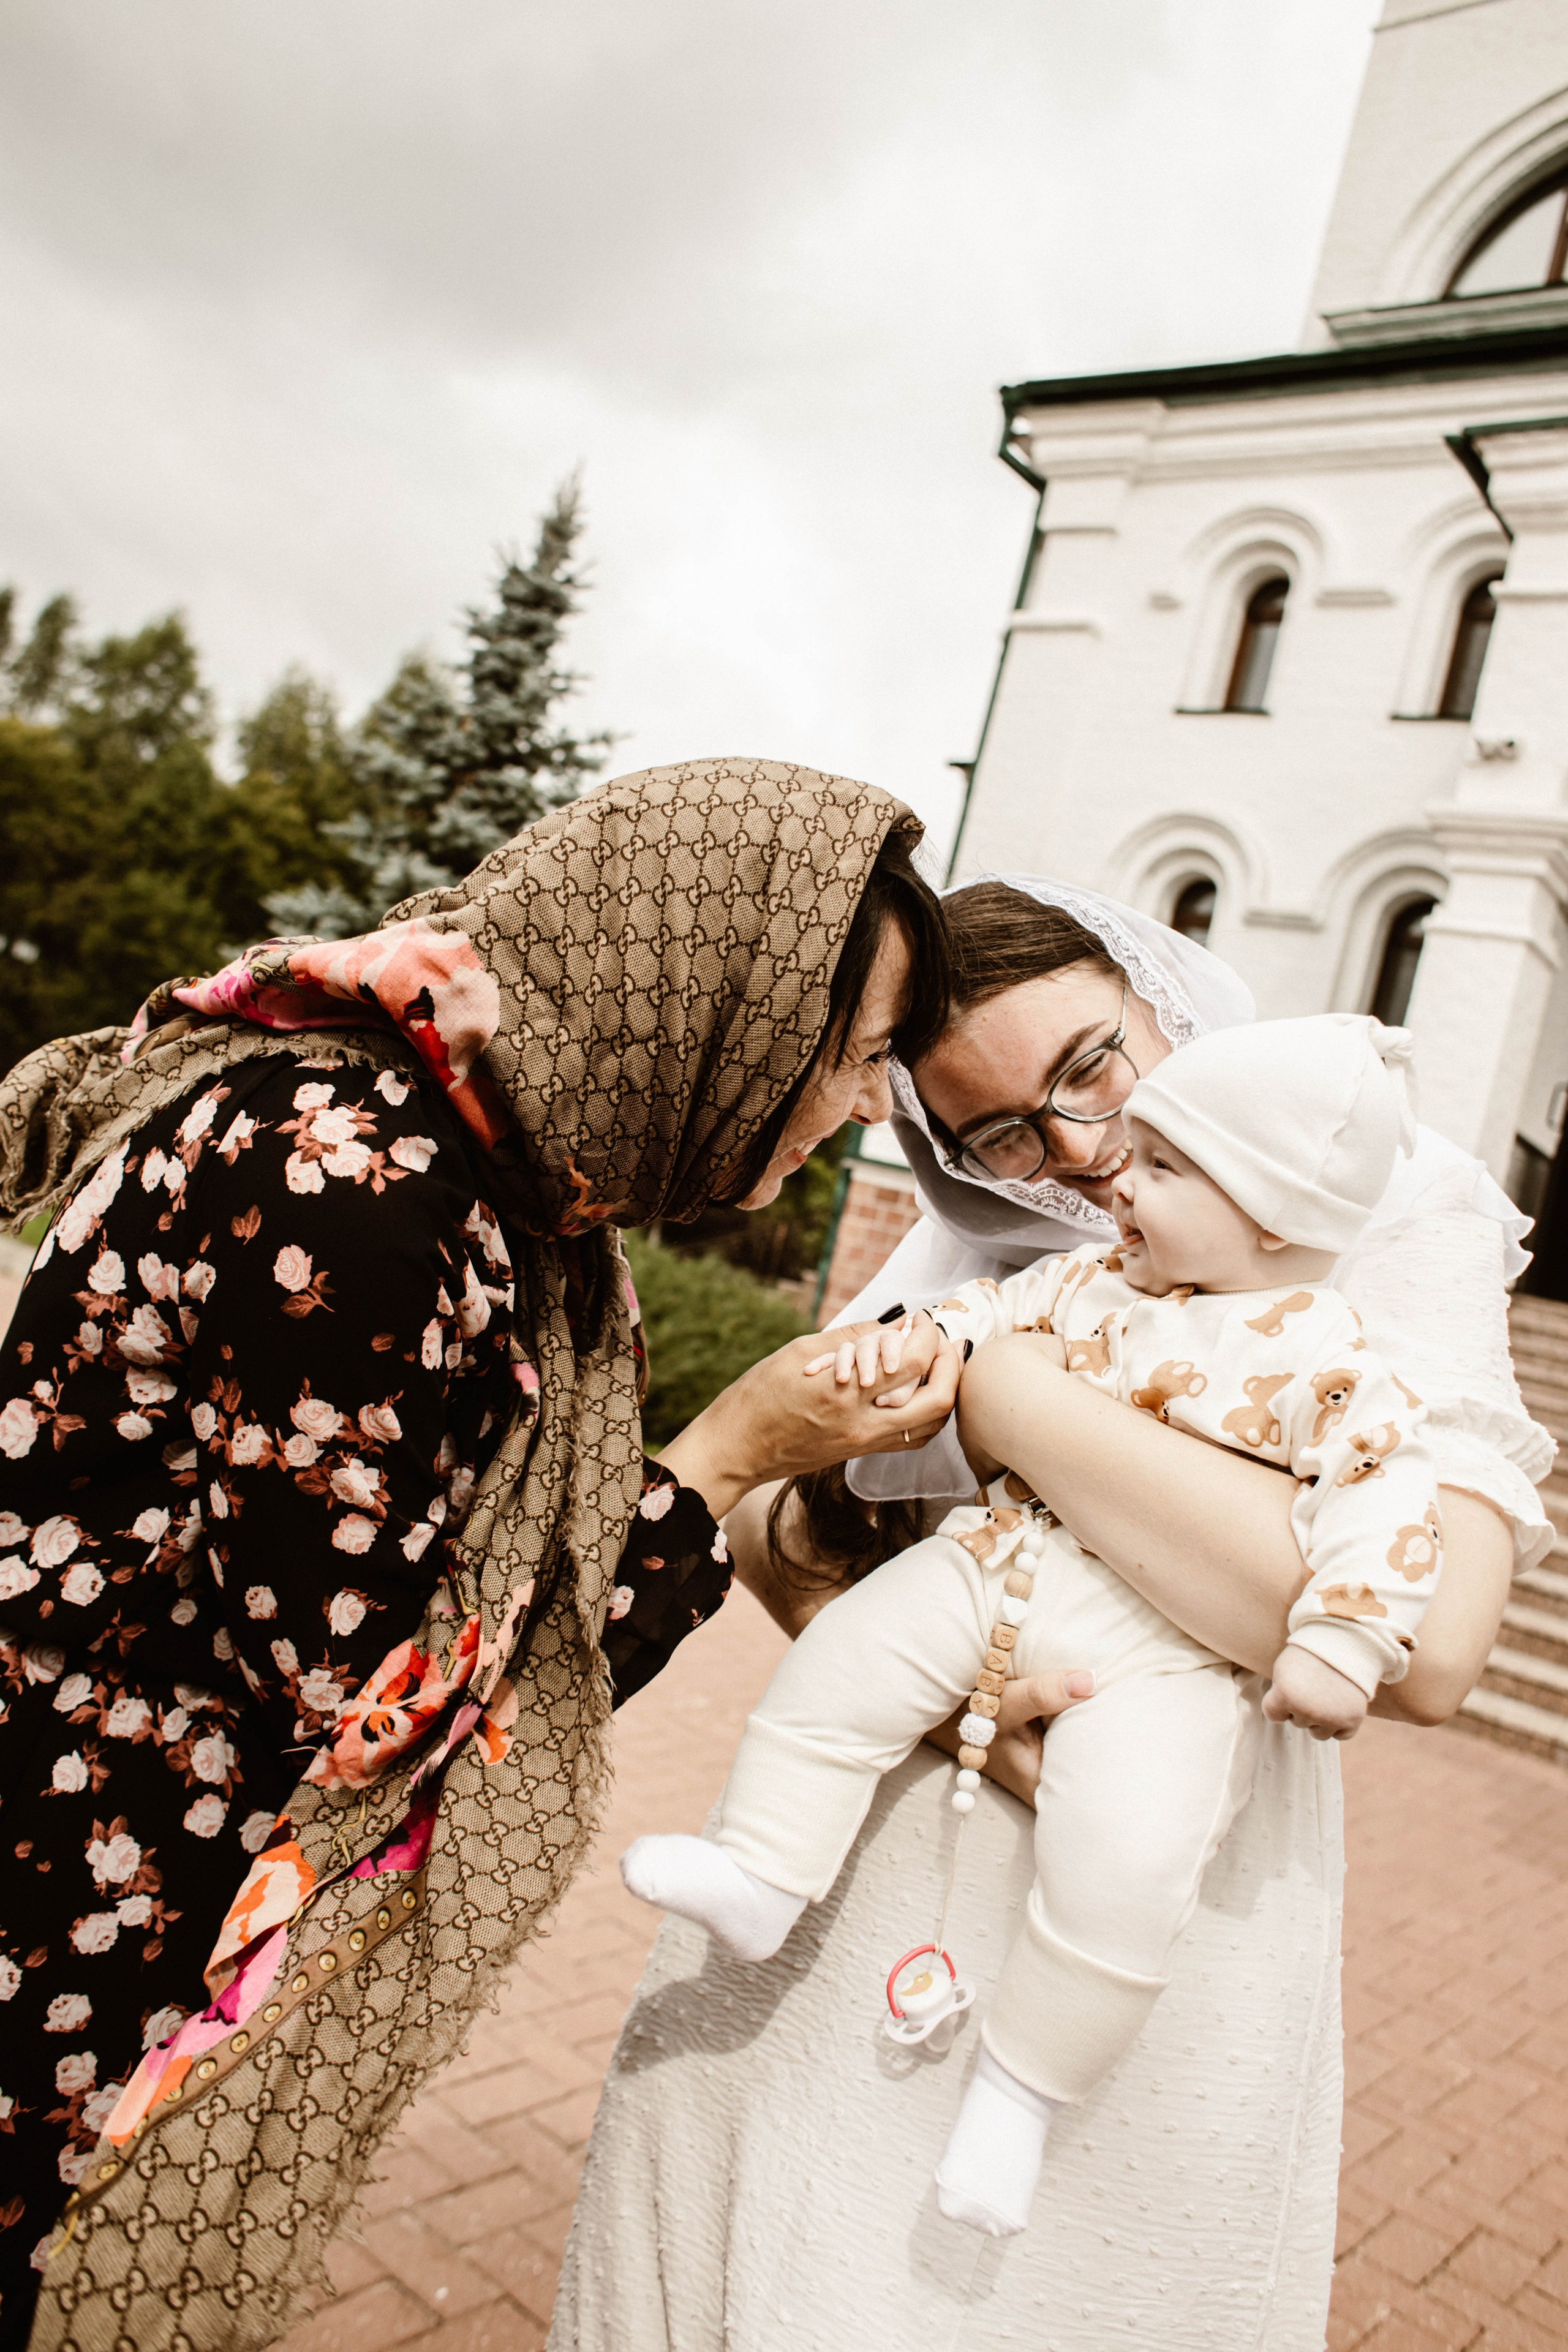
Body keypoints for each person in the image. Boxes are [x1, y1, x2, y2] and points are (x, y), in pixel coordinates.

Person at [0, 758, 962, 2352]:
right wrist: (731, 1456)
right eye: (857, 1056)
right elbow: (380, 1703)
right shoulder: (359, 1179)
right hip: (76, 1895)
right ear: (721, 1007)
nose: (868, 1107)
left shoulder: (493, 1182)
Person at [550, 877, 1552, 2352]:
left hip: (1164, 1891)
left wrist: (1012, 1401)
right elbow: (772, 1518)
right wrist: (951, 1677)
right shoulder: (981, 1258)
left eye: (1091, 1065)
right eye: (1003, 1133)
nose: (1078, 1155)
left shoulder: (1391, 1203)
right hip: (867, 1861)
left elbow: (1432, 1646)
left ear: (1163, 1001)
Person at [620, 1014, 1442, 2239]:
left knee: (1127, 1860)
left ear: (1271, 1215)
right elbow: (978, 1322)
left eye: (1163, 1170)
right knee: (846, 1666)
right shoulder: (1089, 1279)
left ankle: (1019, 2091)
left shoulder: (1333, 1355)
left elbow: (1383, 1504)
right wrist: (907, 1347)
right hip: (999, 1562)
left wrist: (1340, 1645)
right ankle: (760, 1868)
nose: (1120, 1182)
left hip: (1166, 1659)